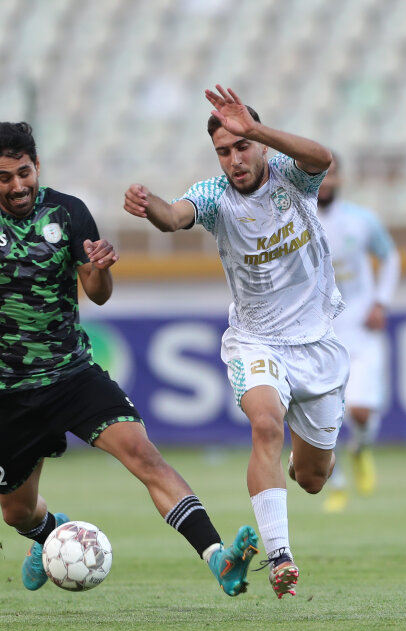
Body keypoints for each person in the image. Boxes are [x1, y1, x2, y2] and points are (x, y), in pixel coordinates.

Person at [0, 121, 259, 597]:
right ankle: (48, 533)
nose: (17, 186)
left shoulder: (68, 212)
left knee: (145, 456)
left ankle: (218, 557)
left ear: (37, 165)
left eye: (24, 173)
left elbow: (98, 293)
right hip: (9, 389)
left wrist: (100, 269)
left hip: (73, 374)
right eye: (4, 177)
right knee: (17, 513)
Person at [123, 85, 347, 598]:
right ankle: (280, 556)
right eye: (223, 151)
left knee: (313, 478)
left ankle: (304, 461)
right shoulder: (213, 196)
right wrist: (150, 205)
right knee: (265, 425)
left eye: (242, 146)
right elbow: (173, 217)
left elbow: (322, 158)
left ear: (260, 144)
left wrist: (256, 127)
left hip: (316, 343)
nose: (234, 159)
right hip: (256, 341)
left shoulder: (292, 176)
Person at [316, 154, 401, 512]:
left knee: (361, 411)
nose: (325, 181)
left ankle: (361, 448)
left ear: (340, 178)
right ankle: (336, 485)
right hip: (319, 332)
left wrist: (381, 302)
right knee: (323, 418)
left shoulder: (361, 220)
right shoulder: (295, 220)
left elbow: (391, 257)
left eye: (331, 174)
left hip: (361, 329)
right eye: (319, 174)